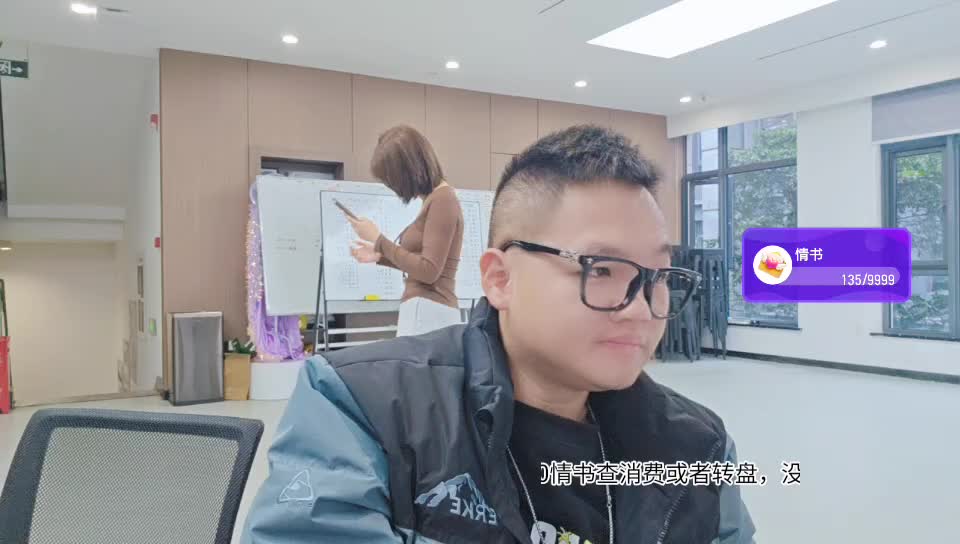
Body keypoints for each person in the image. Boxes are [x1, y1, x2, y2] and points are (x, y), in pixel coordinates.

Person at [242, 125, 756, 544]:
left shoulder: (697, 445)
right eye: (601, 269)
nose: (641, 309)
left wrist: (383, 246)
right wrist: (380, 251)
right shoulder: (362, 408)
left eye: (657, 276)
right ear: (500, 279)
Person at [348, 125, 464, 337]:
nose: (392, 186)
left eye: (392, 179)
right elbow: (422, 264)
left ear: (409, 171)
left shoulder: (443, 200)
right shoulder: (435, 199)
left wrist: (378, 240)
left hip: (429, 311)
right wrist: (379, 256)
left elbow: (429, 271)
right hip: (426, 311)